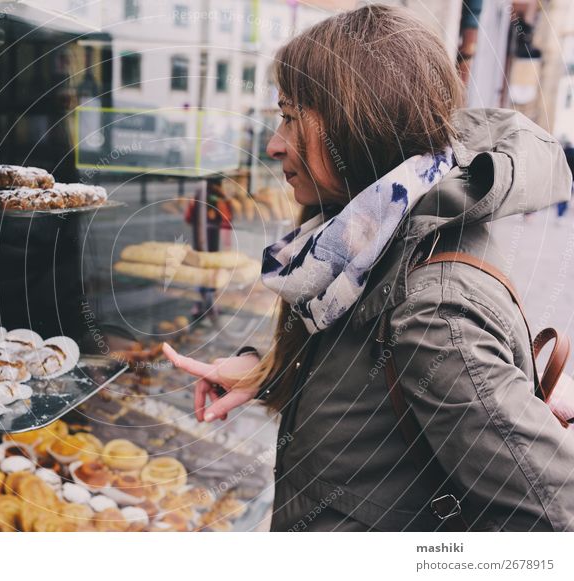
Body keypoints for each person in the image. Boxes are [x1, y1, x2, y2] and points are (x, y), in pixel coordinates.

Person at [163, 4, 574, 531]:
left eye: (290, 117)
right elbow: (373, 408)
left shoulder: (434, 315)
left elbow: (554, 517)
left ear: (356, 129)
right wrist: (271, 376)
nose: (273, 143)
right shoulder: (371, 240)